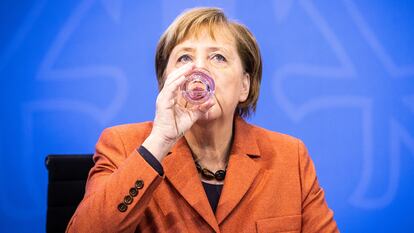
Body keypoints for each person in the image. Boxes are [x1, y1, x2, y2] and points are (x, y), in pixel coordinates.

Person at [66, 7, 339, 233]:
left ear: (244, 86)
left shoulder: (290, 157)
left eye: (218, 57)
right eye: (184, 57)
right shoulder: (123, 146)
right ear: (166, 82)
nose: (198, 68)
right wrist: (160, 142)